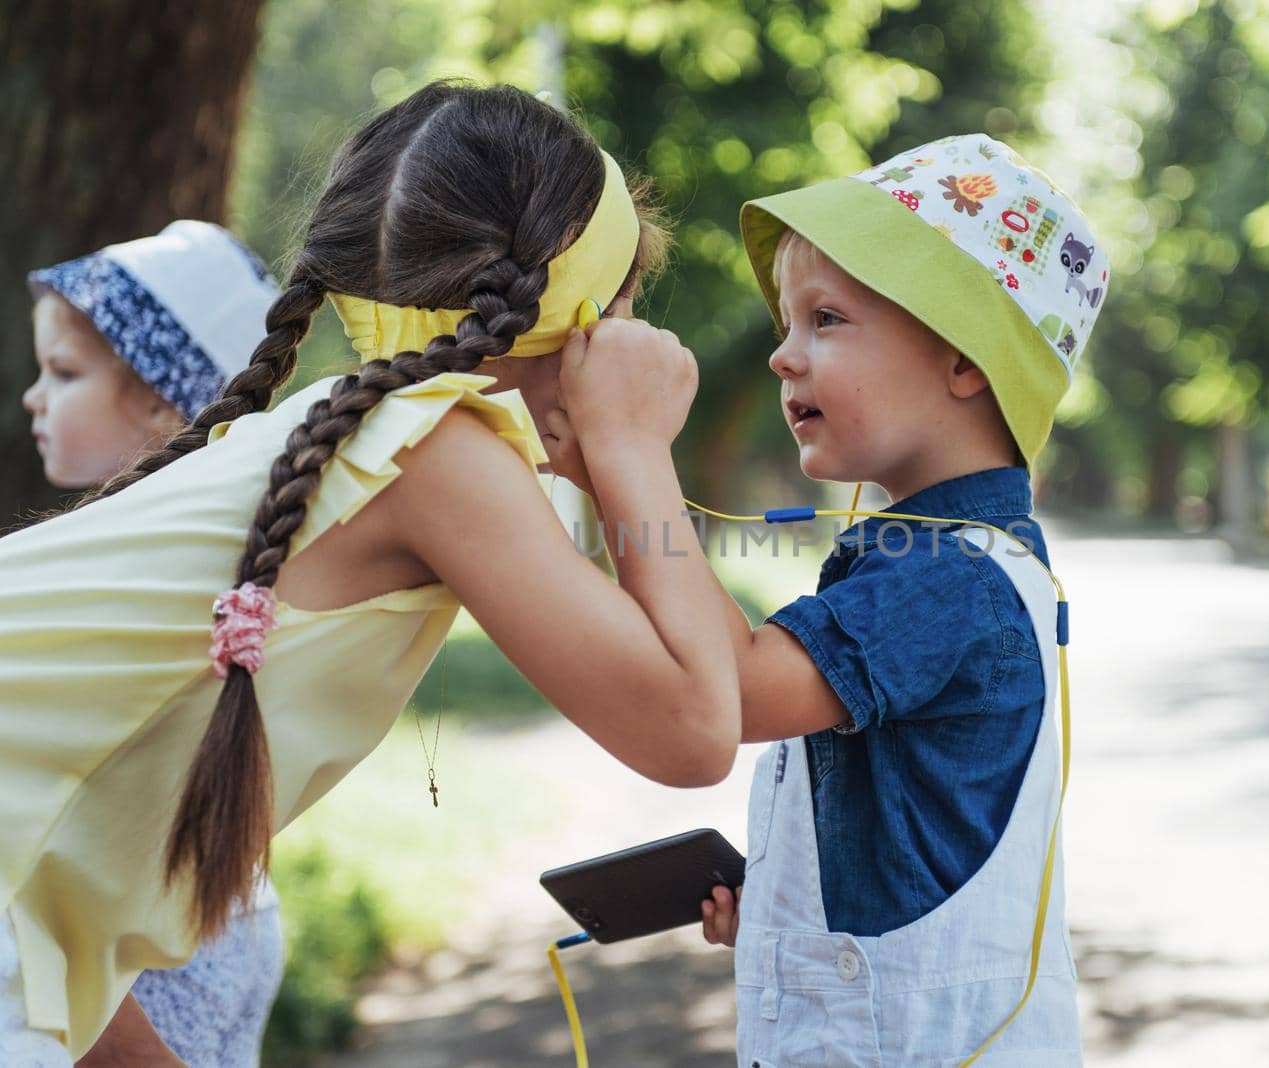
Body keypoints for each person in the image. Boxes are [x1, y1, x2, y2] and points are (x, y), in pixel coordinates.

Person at [0, 81, 739, 1064]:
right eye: (629, 311)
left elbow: (42, 926)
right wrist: (637, 447)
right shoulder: (439, 454)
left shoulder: (342, 436)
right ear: (577, 323)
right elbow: (693, 731)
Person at [699, 133, 1109, 1065]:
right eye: (786, 325)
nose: (781, 358)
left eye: (827, 320)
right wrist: (780, 914)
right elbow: (908, 845)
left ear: (966, 361)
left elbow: (737, 689)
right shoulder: (946, 559)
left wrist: (630, 456)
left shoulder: (947, 580)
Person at [22, 220, 287, 1067]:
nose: (33, 398)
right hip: (186, 948)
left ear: (166, 405)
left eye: (63, 373)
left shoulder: (100, 592)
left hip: (139, 973)